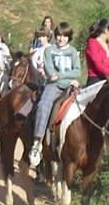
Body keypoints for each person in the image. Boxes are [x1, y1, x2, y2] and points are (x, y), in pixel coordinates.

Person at [28, 21, 81, 168]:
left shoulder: (73, 51)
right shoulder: (49, 50)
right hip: (54, 86)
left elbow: (77, 71)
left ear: (69, 37)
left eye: (64, 36)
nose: (61, 38)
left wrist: (66, 78)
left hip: (71, 85)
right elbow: (50, 73)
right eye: (58, 35)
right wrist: (67, 77)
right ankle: (37, 142)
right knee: (43, 105)